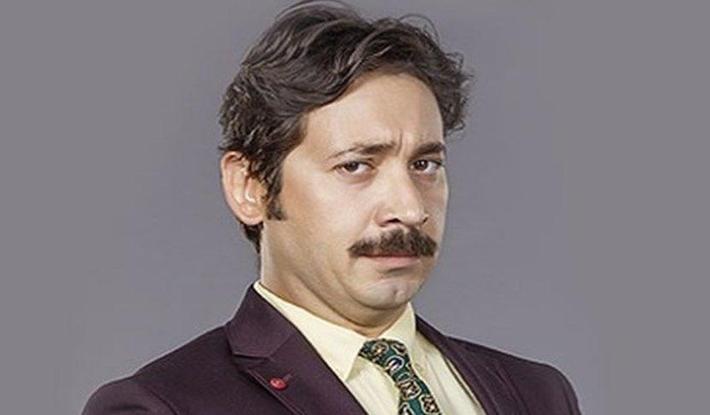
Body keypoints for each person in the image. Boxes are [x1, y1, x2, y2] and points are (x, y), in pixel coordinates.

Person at [83, 1, 581, 414]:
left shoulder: (538, 395)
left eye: (425, 164)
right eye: (356, 166)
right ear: (250, 186)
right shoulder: (164, 405)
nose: (410, 208)